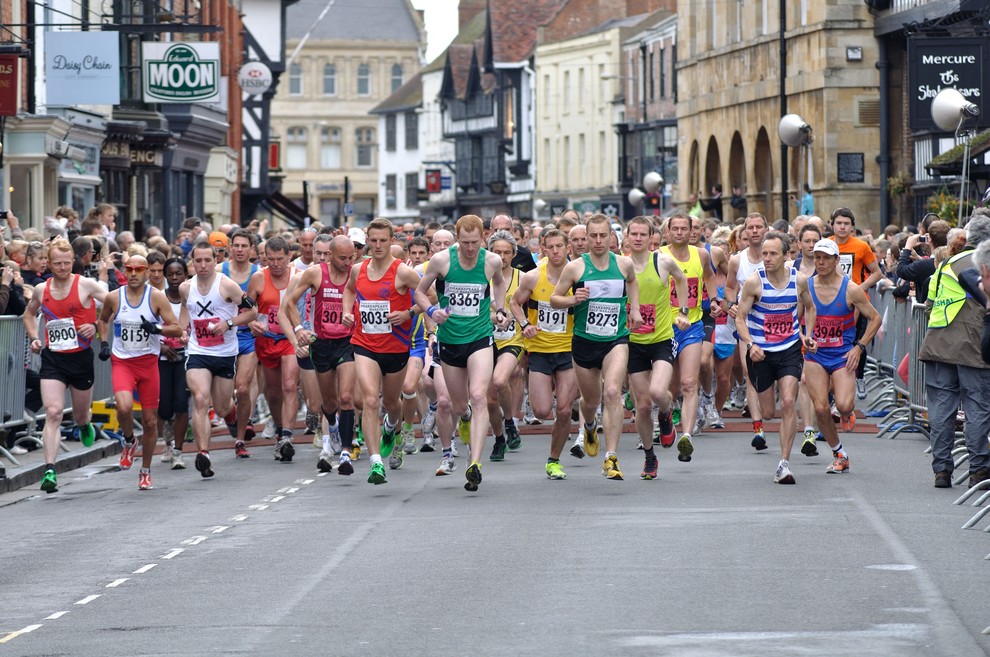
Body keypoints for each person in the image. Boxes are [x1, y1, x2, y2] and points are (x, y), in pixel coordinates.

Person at [415, 215, 509, 492]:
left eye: (475, 242)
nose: (470, 248)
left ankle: (475, 462)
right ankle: (465, 417)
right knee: (458, 406)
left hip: (480, 337)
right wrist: (433, 312)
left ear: (483, 237)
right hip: (450, 340)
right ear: (457, 239)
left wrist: (500, 309)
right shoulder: (442, 261)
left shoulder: (490, 261)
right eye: (465, 242)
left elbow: (500, 283)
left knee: (479, 395)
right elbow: (420, 293)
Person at [550, 214, 642, 481]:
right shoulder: (575, 268)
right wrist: (572, 300)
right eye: (594, 236)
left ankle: (610, 457)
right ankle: (589, 424)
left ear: (612, 237)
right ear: (586, 238)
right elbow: (555, 299)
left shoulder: (624, 264)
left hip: (616, 339)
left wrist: (633, 308)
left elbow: (632, 283)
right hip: (585, 341)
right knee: (590, 401)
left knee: (613, 391)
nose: (599, 241)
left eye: (604, 236)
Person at [22, 238, 108, 493]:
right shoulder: (41, 289)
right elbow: (28, 314)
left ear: (74, 262)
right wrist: (34, 338)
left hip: (80, 358)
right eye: (57, 263)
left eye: (66, 263)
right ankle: (49, 470)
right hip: (53, 359)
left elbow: (113, 304)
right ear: (48, 263)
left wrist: (94, 326)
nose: (61, 267)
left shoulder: (86, 285)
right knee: (53, 412)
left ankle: (83, 425)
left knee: (80, 414)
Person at [734, 231, 818, 485]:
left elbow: (810, 307)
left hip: (790, 348)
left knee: (789, 401)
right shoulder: (754, 282)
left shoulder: (799, 280)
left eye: (773, 254)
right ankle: (774, 434)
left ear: (786, 256)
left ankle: (784, 464)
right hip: (761, 353)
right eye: (764, 254)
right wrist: (750, 345)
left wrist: (807, 335)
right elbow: (740, 317)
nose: (767, 259)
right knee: (769, 412)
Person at [343, 218, 422, 485]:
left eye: (382, 240)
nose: (377, 245)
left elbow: (430, 297)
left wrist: (408, 312)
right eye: (373, 240)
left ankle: (391, 427)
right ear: (367, 241)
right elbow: (349, 291)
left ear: (392, 241)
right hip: (364, 344)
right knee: (369, 400)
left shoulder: (403, 272)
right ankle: (376, 463)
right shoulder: (357, 269)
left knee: (391, 403)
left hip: (396, 347)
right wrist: (346, 311)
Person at [97, 255, 182, 490]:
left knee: (150, 421)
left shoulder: (155, 297)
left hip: (148, 363)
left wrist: (155, 328)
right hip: (123, 361)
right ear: (125, 271)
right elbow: (102, 320)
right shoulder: (114, 297)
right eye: (130, 269)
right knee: (123, 406)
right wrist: (104, 344)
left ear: (147, 273)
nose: (134, 273)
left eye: (139, 269)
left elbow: (176, 328)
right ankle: (129, 441)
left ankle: (145, 471)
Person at [919, 216, 990, 489]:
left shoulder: (946, 263)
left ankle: (942, 470)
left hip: (938, 343)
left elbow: (929, 304)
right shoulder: (981, 262)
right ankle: (979, 469)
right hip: (972, 345)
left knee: (941, 410)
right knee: (977, 407)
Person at [178, 242, 258, 478]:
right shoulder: (185, 287)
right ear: (192, 262)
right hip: (198, 352)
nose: (202, 265)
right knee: (201, 398)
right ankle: (204, 454)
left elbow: (252, 312)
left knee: (222, 407)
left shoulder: (227, 285)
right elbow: (185, 307)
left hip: (224, 353)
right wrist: (184, 329)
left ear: (215, 261)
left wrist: (229, 323)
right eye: (198, 261)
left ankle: (231, 415)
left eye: (207, 260)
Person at [802, 239, 881, 475]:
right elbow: (794, 319)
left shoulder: (851, 289)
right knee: (821, 408)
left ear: (837, 261)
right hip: (816, 355)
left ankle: (846, 412)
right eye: (817, 257)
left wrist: (859, 347)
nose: (821, 262)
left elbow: (875, 318)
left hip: (842, 355)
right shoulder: (805, 287)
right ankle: (839, 454)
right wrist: (803, 337)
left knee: (845, 405)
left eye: (826, 257)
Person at [281, 234, 358, 475]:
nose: (347, 262)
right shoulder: (315, 273)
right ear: (331, 255)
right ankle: (332, 427)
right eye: (342, 258)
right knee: (328, 403)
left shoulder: (356, 272)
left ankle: (345, 452)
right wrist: (298, 329)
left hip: (348, 342)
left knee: (346, 398)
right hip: (322, 343)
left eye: (350, 258)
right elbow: (290, 303)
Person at [510, 228, 579, 479]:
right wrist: (525, 325)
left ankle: (553, 460)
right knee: (541, 411)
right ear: (543, 248)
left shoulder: (577, 275)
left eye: (560, 246)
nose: (556, 251)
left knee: (563, 409)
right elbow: (515, 302)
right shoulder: (532, 277)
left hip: (569, 349)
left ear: (567, 247)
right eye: (550, 247)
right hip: (539, 349)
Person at [625, 217, 691, 479]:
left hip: (661, 338)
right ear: (627, 237)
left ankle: (666, 411)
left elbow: (682, 279)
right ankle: (650, 457)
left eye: (644, 234)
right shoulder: (621, 265)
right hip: (632, 343)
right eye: (634, 234)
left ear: (652, 237)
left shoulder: (661, 261)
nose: (639, 238)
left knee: (656, 392)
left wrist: (683, 311)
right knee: (641, 406)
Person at [660, 212, 722, 462]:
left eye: (683, 229)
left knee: (688, 383)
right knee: (670, 389)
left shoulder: (702, 255)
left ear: (691, 231)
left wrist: (715, 298)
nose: (679, 233)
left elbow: (708, 276)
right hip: (665, 327)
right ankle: (666, 415)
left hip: (692, 326)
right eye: (674, 229)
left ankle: (686, 436)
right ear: (667, 232)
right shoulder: (659, 257)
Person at [247, 236, 300, 462]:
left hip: (290, 340)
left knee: (289, 386)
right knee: (273, 391)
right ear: (264, 258)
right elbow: (246, 309)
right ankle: (280, 430)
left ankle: (287, 435)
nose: (276, 264)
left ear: (289, 256)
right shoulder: (258, 278)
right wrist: (251, 323)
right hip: (266, 340)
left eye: (280, 259)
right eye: (270, 260)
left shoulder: (298, 277)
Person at [829, 207, 882, 399]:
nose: (842, 227)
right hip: (830, 303)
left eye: (846, 224)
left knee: (857, 342)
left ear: (852, 227)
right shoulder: (825, 245)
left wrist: (861, 287)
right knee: (834, 344)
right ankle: (835, 385)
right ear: (832, 225)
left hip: (858, 303)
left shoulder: (861, 246)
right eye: (839, 223)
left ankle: (859, 376)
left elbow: (877, 273)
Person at [485, 230, 526, 462]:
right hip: (484, 340)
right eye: (497, 252)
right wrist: (494, 318)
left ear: (514, 254)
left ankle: (510, 420)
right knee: (490, 399)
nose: (502, 257)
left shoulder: (523, 278)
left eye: (506, 252)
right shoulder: (481, 277)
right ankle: (500, 438)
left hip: (512, 340)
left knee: (501, 380)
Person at [220, 229, 260, 443]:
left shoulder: (258, 273)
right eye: (236, 245)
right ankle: (232, 415)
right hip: (222, 336)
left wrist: (256, 321)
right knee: (224, 395)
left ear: (252, 249)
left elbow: (265, 304)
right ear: (230, 248)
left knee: (243, 386)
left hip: (248, 337)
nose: (240, 249)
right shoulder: (220, 271)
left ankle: (242, 435)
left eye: (245, 246)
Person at [158, 257, 191, 470]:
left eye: (179, 273)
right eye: (170, 274)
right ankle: (167, 441)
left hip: (185, 356)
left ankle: (178, 451)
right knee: (163, 407)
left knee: (181, 404)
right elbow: (148, 326)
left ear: (185, 275)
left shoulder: (191, 296)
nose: (175, 278)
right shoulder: (158, 298)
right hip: (161, 357)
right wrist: (161, 346)